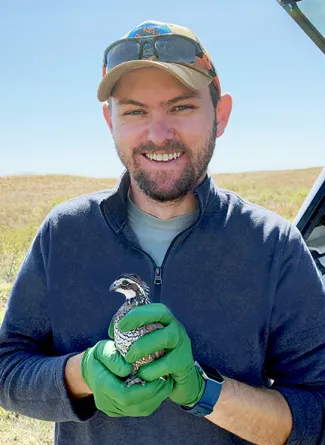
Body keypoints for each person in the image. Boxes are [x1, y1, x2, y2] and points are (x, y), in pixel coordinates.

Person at [1, 19, 325, 445]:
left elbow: (316, 413)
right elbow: (9, 370)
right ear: (109, 121)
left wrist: (205, 391)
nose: (158, 135)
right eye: (134, 111)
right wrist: (82, 374)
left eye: (182, 106)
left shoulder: (274, 245)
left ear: (220, 114)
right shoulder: (64, 233)